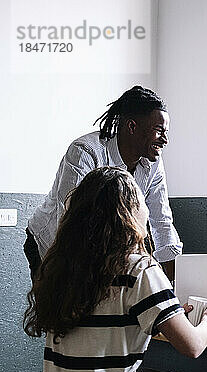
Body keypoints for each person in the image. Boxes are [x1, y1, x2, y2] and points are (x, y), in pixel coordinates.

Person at [23, 167, 207, 372]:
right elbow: (192, 346)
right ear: (130, 211)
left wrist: (169, 313)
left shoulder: (61, 265)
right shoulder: (139, 268)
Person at [24, 86, 182, 281]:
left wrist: (172, 278)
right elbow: (70, 221)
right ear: (131, 126)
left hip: (102, 248)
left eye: (166, 132)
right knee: (60, 308)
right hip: (53, 242)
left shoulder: (153, 162)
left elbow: (161, 219)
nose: (165, 140)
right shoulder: (85, 152)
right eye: (158, 131)